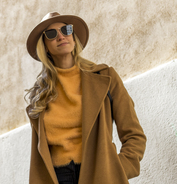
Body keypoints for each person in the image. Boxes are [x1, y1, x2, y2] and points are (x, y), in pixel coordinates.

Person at [25, 11, 146, 184]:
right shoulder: (40, 94)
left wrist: (118, 169)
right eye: (51, 34)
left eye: (66, 30)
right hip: (58, 178)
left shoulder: (105, 77)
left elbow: (134, 134)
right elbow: (40, 153)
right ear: (44, 46)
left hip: (100, 174)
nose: (61, 36)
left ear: (73, 38)